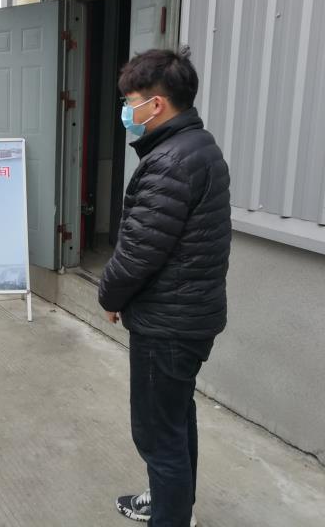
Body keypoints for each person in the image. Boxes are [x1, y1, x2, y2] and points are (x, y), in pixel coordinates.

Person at [97, 48, 231, 527]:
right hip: (188, 316)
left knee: (158, 433)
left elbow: (139, 252)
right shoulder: (197, 146)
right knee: (175, 419)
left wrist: (110, 296)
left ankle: (171, 516)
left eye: (129, 101)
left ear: (156, 104)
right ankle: (174, 506)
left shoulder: (171, 160)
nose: (125, 111)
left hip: (168, 323)